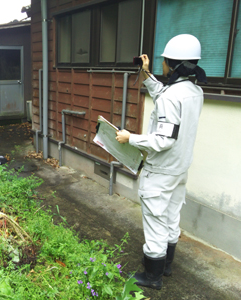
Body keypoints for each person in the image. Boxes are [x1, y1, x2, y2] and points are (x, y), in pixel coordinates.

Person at [116, 34, 207, 290]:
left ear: (172, 63)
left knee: (155, 219)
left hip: (161, 169)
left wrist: (130, 138)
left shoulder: (171, 96)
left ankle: (152, 276)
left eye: (164, 61)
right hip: (180, 168)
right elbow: (166, 96)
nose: (163, 65)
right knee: (170, 215)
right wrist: (146, 74)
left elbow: (163, 140)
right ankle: (166, 266)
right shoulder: (194, 92)